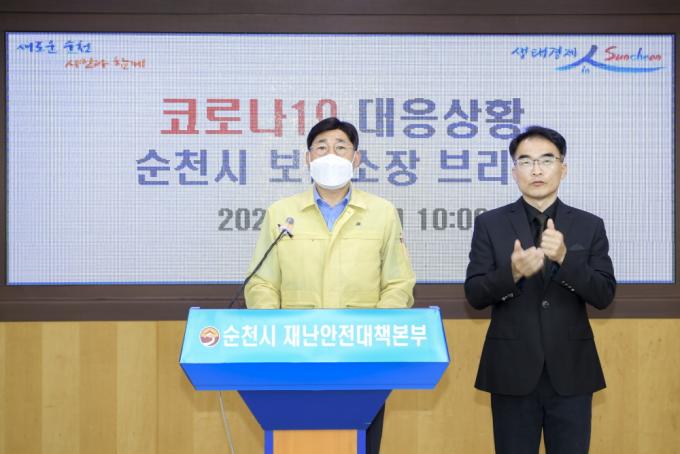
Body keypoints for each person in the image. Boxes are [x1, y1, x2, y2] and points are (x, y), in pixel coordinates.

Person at [245, 117, 416, 454]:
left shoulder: (382, 212)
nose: (331, 154)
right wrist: (274, 332)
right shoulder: (281, 213)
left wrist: (375, 331)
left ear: (356, 158)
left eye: (341, 147)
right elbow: (262, 282)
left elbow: (398, 282)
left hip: (361, 356)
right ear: (307, 158)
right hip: (294, 353)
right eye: (321, 147)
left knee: (360, 442)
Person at [464, 126, 616, 454]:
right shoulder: (490, 224)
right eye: (526, 161)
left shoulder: (589, 225)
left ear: (563, 168)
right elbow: (474, 294)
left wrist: (564, 259)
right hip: (511, 369)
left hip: (572, 370)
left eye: (547, 160)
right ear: (514, 171)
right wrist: (512, 273)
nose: (536, 170)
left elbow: (604, 294)